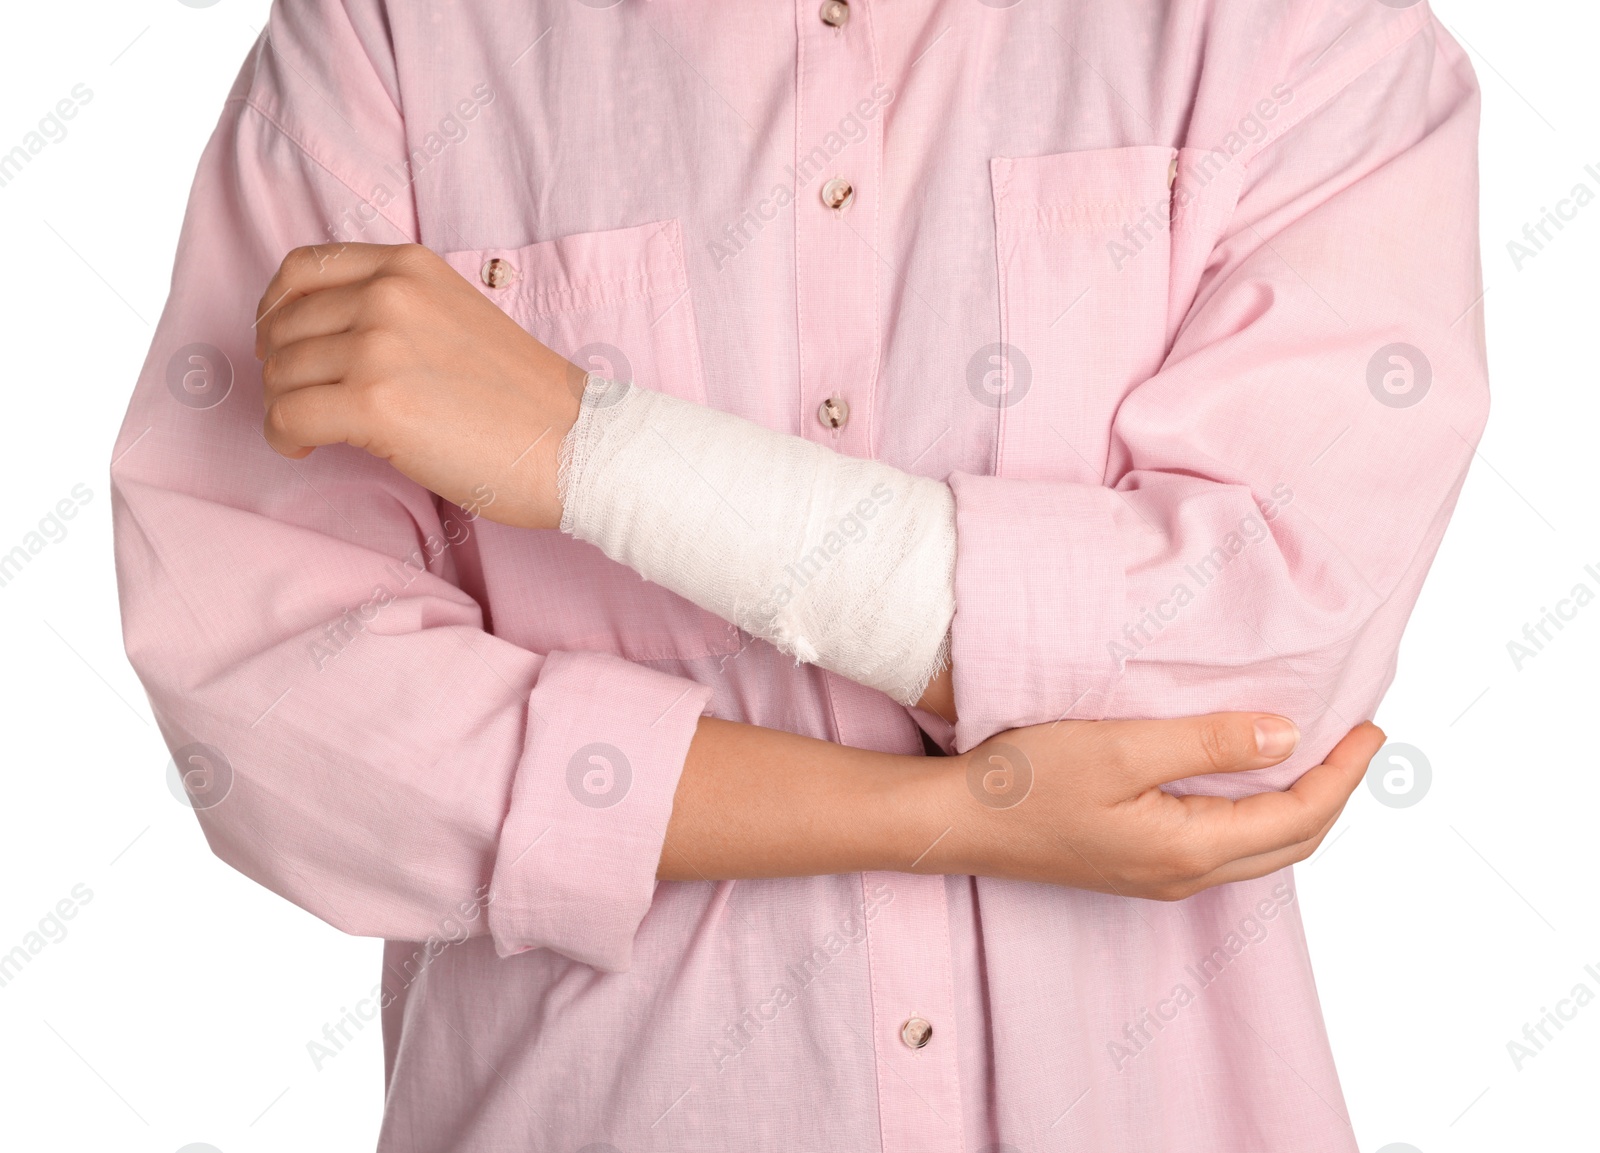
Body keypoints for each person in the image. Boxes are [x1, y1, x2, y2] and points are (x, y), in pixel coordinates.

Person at [110, 1, 1487, 1149]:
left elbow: (1256, 668)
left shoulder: (1294, 28)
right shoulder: (398, 34)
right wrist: (957, 813)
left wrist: (586, 447)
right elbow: (281, 708)